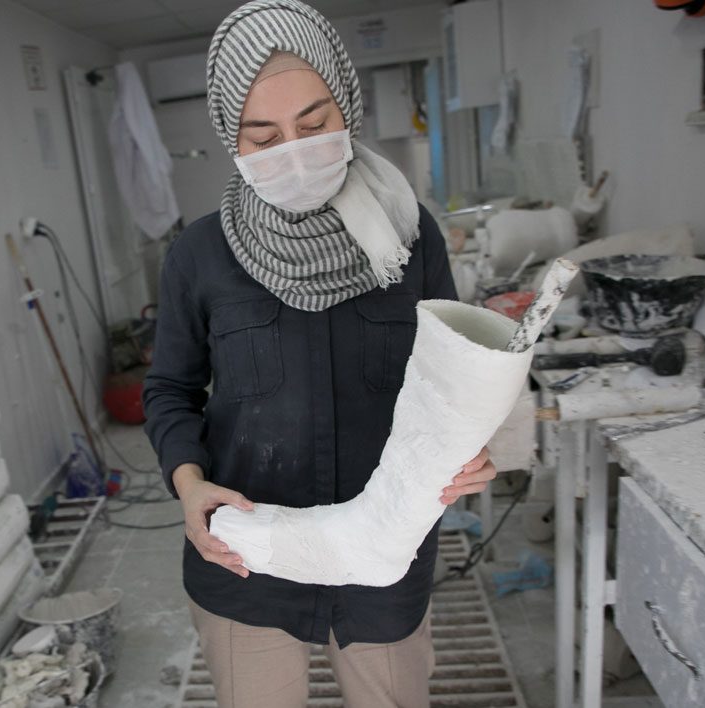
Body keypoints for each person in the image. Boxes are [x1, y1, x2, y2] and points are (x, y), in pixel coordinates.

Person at [143, 2, 498, 706]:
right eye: (263, 135)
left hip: (385, 555)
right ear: (230, 137)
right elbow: (169, 389)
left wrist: (469, 449)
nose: (295, 153)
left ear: (347, 107)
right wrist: (188, 485)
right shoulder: (200, 255)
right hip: (248, 555)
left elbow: (450, 376)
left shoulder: (409, 235)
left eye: (313, 124)